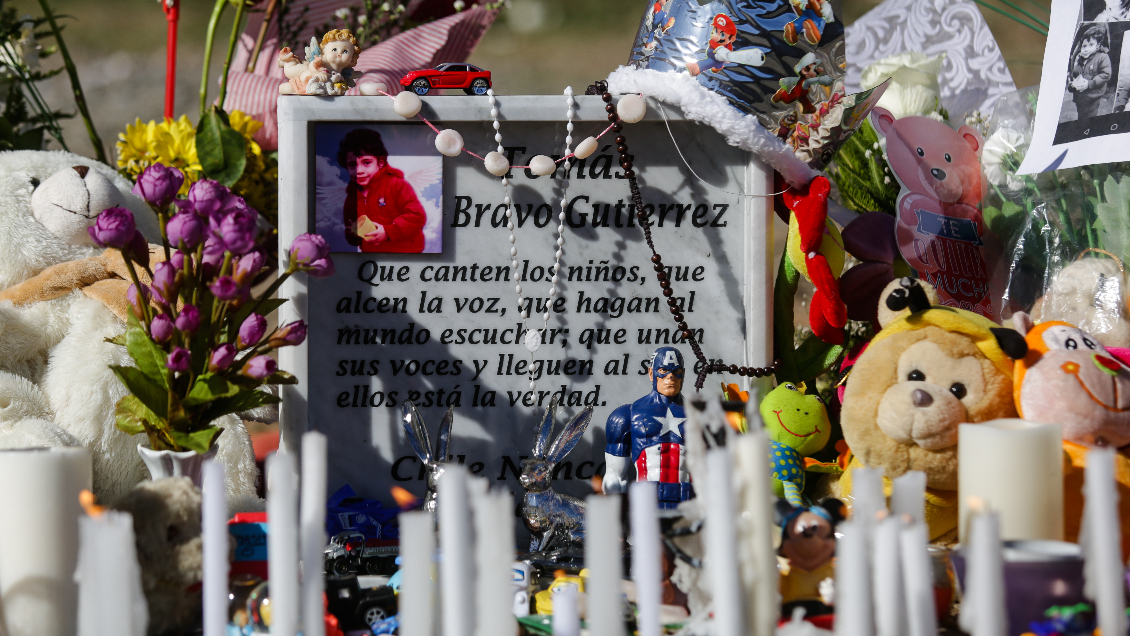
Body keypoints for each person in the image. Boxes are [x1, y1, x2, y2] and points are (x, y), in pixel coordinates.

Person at [602, 347, 693, 508]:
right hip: (646, 504)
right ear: (651, 373)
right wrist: (616, 517)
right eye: (663, 370)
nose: (670, 376)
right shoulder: (627, 415)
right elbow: (615, 477)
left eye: (676, 371)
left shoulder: (699, 415)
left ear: (683, 374)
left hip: (687, 506)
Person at [337, 128, 427, 253]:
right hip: (374, 255)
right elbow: (351, 228)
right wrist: (353, 235)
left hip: (405, 252)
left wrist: (387, 231)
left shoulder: (397, 185)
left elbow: (417, 217)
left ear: (380, 162)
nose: (359, 171)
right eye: (353, 165)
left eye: (366, 162)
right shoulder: (351, 197)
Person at [1068, 24, 1113, 121]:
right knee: (1081, 117)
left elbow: (1106, 74)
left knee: (1090, 117)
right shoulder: (1080, 59)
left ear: (1098, 46)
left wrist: (1089, 84)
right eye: (1084, 46)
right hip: (1080, 98)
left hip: (1093, 97)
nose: (1086, 49)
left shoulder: (1102, 57)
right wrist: (1072, 84)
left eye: (1091, 45)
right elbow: (1075, 74)